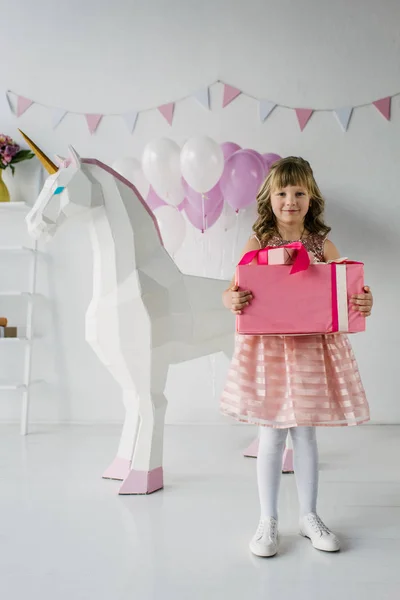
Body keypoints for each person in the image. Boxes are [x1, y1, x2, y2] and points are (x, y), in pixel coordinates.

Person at [221, 157, 373, 557]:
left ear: (311, 198)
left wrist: (363, 300)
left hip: (310, 350)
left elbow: (348, 291)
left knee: (304, 433)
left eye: (299, 193)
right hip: (271, 352)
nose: (291, 200)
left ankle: (308, 515)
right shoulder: (258, 245)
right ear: (269, 198)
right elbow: (232, 290)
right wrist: (230, 298)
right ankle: (267, 520)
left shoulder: (324, 246)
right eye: (282, 192)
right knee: (271, 434)